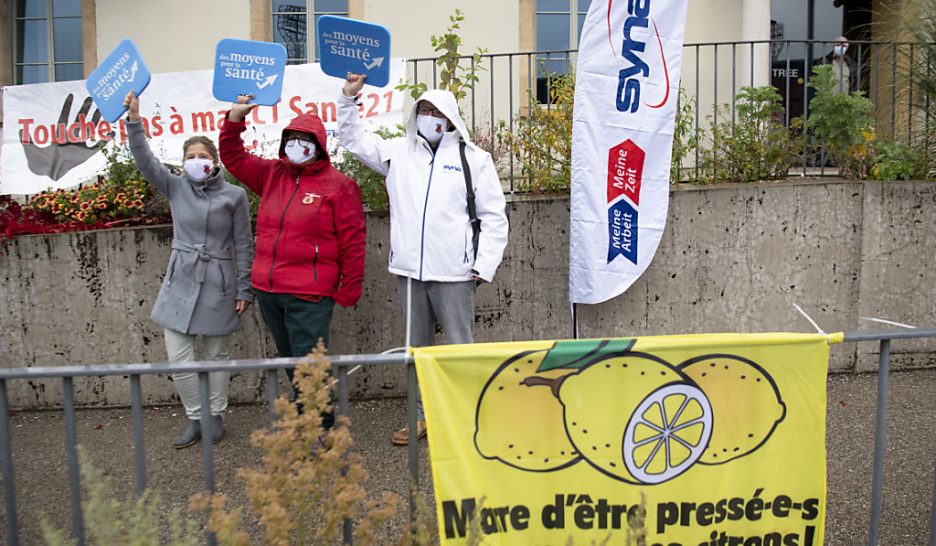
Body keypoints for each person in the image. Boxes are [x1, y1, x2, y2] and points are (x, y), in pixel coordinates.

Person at [337, 74, 509, 446]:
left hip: (455, 272)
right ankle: (422, 416)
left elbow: (494, 215)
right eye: (424, 110)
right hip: (410, 272)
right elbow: (354, 141)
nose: (430, 117)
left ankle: (466, 417)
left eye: (436, 111)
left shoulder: (474, 159)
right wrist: (349, 100)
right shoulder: (399, 153)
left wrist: (483, 264)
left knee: (461, 348)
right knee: (417, 350)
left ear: (449, 118)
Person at [219, 94, 366, 431]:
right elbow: (233, 157)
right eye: (292, 139)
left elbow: (353, 240)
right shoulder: (272, 174)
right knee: (291, 362)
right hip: (269, 290)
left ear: (318, 145)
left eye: (305, 140)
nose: (298, 145)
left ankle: (321, 428)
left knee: (309, 365)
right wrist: (234, 121)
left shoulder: (339, 186)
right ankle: (308, 419)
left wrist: (350, 286)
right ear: (285, 143)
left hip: (309, 294)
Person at [123, 91, 254, 449]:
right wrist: (134, 121)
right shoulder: (175, 186)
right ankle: (194, 417)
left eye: (203, 156)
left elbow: (244, 243)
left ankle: (215, 417)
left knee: (215, 356)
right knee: (179, 357)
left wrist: (244, 289)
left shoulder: (234, 196)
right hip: (180, 280)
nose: (197, 161)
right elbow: (145, 159)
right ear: (183, 162)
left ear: (214, 161)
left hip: (219, 283)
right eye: (190, 157)